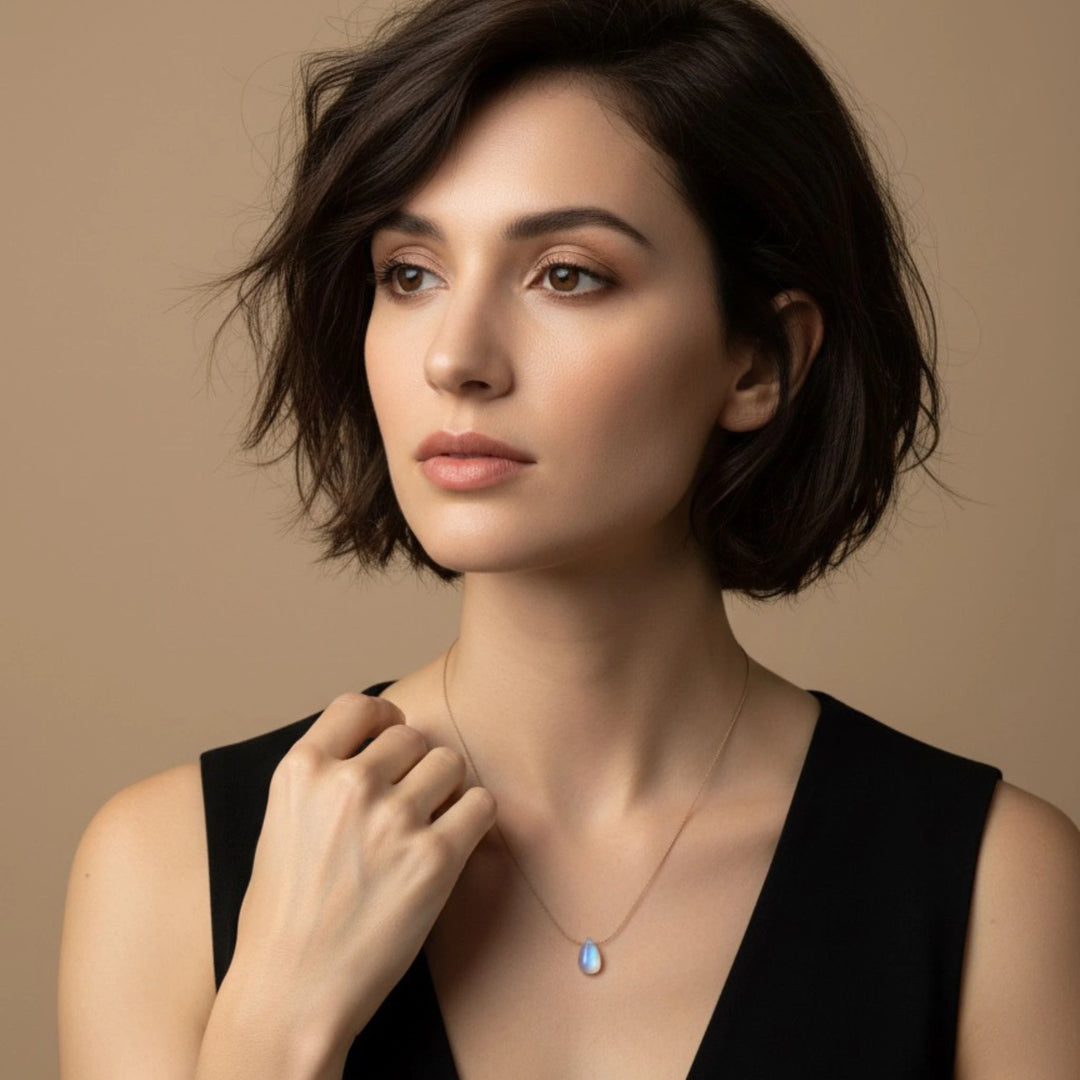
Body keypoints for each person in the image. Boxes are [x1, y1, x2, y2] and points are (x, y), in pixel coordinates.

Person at [58, 0, 1080, 1077]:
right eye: (411, 272)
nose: (456, 357)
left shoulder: (995, 885)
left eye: (566, 274)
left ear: (760, 360)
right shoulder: (164, 867)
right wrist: (274, 1024)